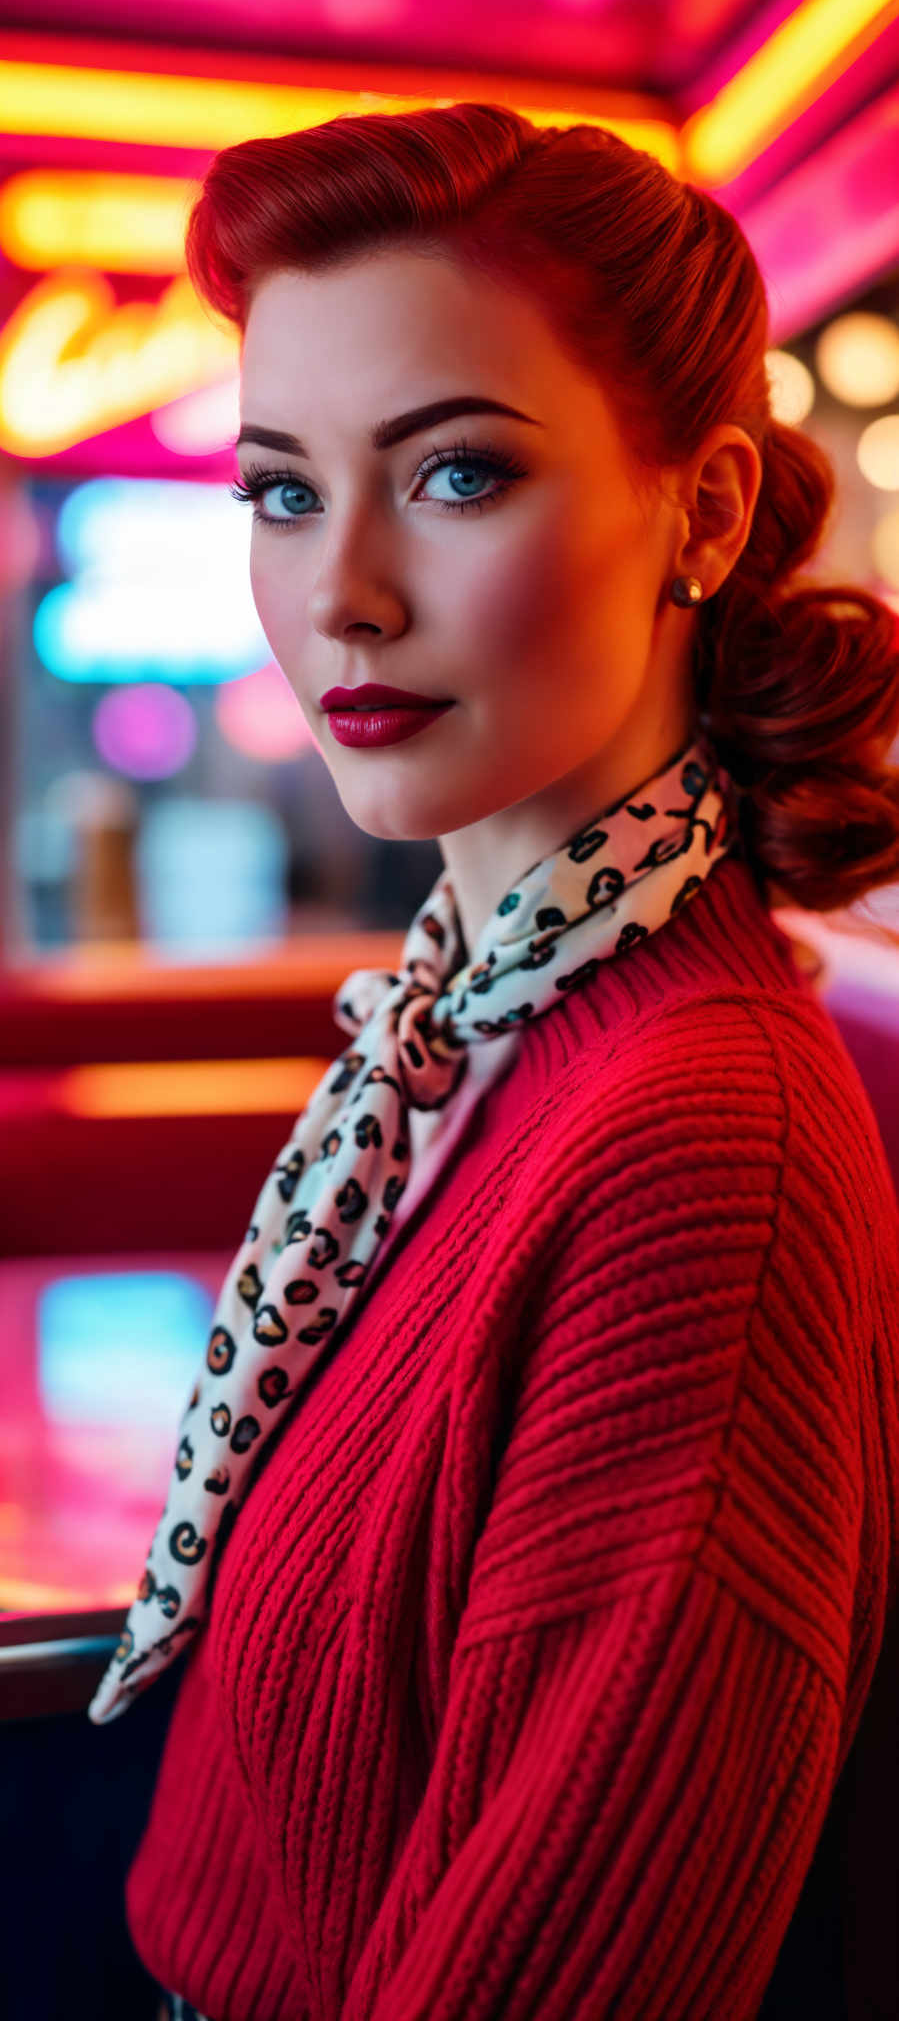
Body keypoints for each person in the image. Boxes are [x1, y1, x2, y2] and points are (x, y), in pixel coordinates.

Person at [87, 103, 899, 2020]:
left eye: (453, 477)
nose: (341, 592)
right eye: (281, 492)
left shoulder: (698, 1147)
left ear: (698, 514)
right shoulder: (468, 1036)